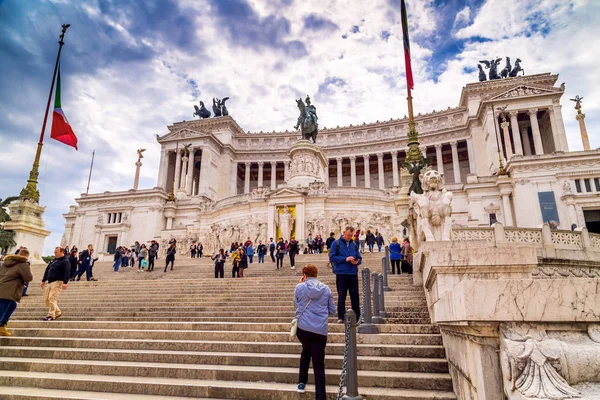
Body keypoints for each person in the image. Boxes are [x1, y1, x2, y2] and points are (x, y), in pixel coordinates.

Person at [294, 264, 336, 398]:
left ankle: (301, 382)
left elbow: (296, 304)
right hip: (320, 329)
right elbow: (333, 311)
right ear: (316, 274)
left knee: (306, 351)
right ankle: (320, 396)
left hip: (303, 328)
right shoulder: (326, 289)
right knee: (319, 363)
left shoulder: (299, 287)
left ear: (304, 274)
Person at [329, 226, 362, 323]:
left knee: (355, 296)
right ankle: (341, 316)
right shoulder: (336, 243)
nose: (349, 237)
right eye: (348, 235)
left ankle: (357, 316)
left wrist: (357, 262)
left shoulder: (354, 244)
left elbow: (359, 257)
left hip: (352, 272)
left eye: (351, 235)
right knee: (342, 295)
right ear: (344, 233)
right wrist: (345, 259)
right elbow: (332, 257)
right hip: (341, 273)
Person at [0, 247, 33, 336]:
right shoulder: (23, 264)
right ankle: (1, 325)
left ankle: (2, 326)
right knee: (2, 309)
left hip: (2, 287)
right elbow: (28, 278)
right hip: (9, 290)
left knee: (12, 305)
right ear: (27, 256)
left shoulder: (5, 263)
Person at [41, 246, 70, 321]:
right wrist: (43, 280)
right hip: (50, 282)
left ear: (62, 252)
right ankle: (57, 312)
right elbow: (47, 270)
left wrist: (65, 282)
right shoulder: (53, 260)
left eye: (56, 252)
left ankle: (51, 315)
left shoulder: (65, 261)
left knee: (52, 298)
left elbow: (67, 272)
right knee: (47, 299)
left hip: (58, 282)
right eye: (54, 252)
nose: (55, 253)